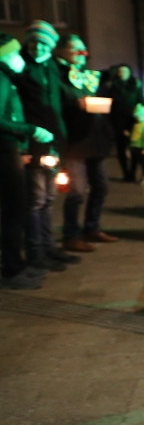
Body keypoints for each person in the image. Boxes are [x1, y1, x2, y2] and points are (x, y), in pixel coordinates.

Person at [14, 21, 76, 272]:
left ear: (51, 47)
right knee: (36, 199)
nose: (37, 47)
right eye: (33, 42)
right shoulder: (21, 68)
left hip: (53, 141)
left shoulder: (50, 67)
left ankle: (49, 246)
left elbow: (60, 99)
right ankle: (35, 251)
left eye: (43, 43)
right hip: (34, 142)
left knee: (49, 197)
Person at [0, 32, 53, 289]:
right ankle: (12, 269)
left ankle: (16, 264)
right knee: (14, 209)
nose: (20, 57)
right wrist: (30, 129)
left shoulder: (7, 78)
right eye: (16, 53)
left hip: (10, 149)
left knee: (14, 209)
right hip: (4, 151)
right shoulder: (1, 79)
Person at [55, 34, 117, 252]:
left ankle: (92, 227)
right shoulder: (58, 75)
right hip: (75, 142)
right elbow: (57, 105)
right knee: (77, 191)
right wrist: (76, 104)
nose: (83, 54)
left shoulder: (87, 76)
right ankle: (70, 235)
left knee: (101, 186)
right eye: (76, 50)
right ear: (62, 51)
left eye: (84, 50)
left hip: (95, 140)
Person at [103, 64, 144, 182]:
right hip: (117, 120)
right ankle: (126, 174)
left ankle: (132, 172)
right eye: (120, 71)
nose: (122, 73)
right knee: (121, 148)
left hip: (133, 120)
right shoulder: (112, 86)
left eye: (125, 71)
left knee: (135, 147)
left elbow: (141, 100)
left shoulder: (135, 84)